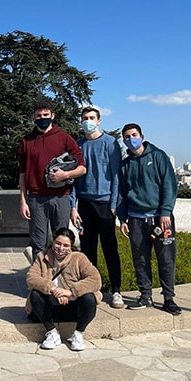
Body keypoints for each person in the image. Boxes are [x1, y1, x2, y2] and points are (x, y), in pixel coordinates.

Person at [116, 123, 182, 315]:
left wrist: (165, 211)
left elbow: (169, 185)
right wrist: (123, 219)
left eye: (133, 135)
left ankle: (168, 298)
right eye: (126, 137)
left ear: (142, 136)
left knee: (166, 259)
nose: (130, 139)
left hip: (161, 219)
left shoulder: (158, 156)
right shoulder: (125, 164)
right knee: (141, 259)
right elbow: (121, 194)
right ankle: (145, 296)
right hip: (136, 220)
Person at [18, 99, 86, 262]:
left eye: (46, 115)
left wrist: (65, 175)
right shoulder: (26, 141)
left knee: (62, 242)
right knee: (38, 244)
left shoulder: (64, 138)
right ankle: (39, 283)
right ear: (33, 118)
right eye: (39, 115)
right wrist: (22, 200)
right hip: (36, 198)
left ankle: (61, 279)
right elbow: (22, 173)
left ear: (52, 115)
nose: (42, 118)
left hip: (60, 197)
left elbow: (82, 168)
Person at [70, 107, 124, 309]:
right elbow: (73, 178)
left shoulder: (110, 143)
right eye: (85, 118)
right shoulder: (78, 145)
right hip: (84, 204)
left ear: (99, 121)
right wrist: (73, 207)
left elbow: (116, 175)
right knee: (88, 250)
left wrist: (113, 204)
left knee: (110, 248)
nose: (88, 121)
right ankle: (92, 289)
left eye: (92, 118)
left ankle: (116, 290)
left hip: (105, 205)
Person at [26, 227, 101, 351]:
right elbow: (31, 278)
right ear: (53, 242)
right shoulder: (42, 256)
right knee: (35, 294)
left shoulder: (79, 258)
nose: (61, 248)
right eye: (58, 243)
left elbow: (95, 280)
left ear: (71, 246)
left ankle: (78, 333)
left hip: (73, 307)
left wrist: (70, 292)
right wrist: (53, 290)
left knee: (89, 298)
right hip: (50, 307)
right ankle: (52, 332)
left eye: (66, 245)